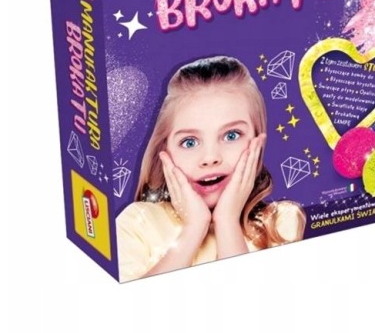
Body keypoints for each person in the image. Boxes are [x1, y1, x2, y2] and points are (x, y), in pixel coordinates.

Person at [116, 56, 306, 281]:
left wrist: (227, 220)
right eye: (189, 142)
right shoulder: (138, 222)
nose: (210, 158)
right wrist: (194, 227)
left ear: (258, 141)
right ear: (165, 151)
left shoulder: (280, 221)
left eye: (231, 135)